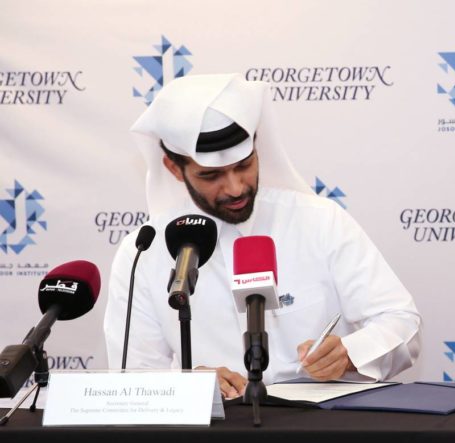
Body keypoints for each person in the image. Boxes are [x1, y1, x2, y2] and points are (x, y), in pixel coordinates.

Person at [104, 73, 421, 398]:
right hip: (212, 437)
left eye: (244, 165)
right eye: (211, 175)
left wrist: (350, 354)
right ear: (173, 169)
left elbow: (401, 323)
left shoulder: (320, 221)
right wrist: (190, 388)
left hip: (321, 429)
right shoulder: (144, 252)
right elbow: (132, 377)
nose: (235, 187)